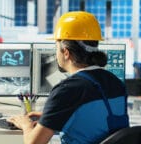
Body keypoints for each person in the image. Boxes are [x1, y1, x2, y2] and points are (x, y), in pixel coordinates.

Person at [8, 11, 129, 144]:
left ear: (66, 52)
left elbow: (34, 143)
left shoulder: (67, 89)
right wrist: (53, 117)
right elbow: (98, 121)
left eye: (56, 47)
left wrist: (25, 124)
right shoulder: (116, 82)